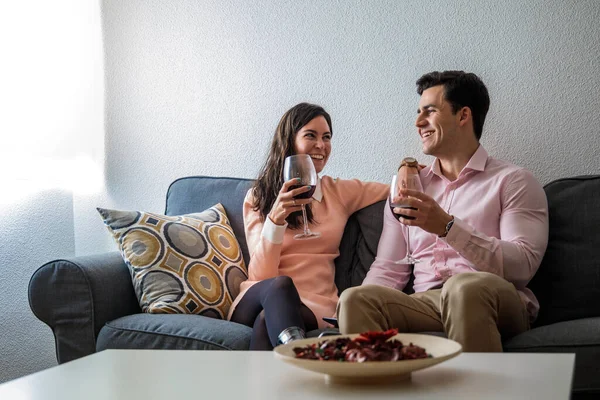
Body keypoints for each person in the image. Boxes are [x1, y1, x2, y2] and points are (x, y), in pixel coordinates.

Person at [337, 71, 549, 352]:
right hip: (428, 302)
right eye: (418, 113)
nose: (418, 122)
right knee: (355, 299)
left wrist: (447, 227)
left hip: (495, 298)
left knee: (463, 288)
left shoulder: (513, 181)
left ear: (463, 116)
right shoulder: (410, 186)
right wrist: (354, 300)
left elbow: (521, 267)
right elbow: (390, 267)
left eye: (430, 111)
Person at [227, 102, 389, 350]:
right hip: (261, 294)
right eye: (310, 135)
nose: (321, 145)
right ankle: (302, 355)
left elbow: (395, 190)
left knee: (265, 322)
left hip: (314, 303)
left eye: (327, 137)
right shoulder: (258, 197)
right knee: (281, 284)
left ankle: (282, 363)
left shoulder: (339, 192)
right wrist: (276, 220)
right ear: (289, 141)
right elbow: (261, 276)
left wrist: (410, 170)